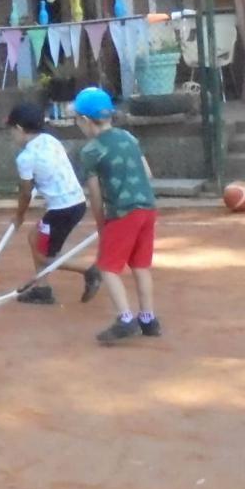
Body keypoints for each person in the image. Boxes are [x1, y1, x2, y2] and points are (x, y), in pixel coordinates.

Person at [72, 87, 162, 345]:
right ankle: (148, 319)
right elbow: (148, 174)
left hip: (122, 212)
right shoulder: (129, 138)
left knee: (108, 268)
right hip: (147, 208)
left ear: (86, 120)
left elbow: (95, 193)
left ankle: (125, 319)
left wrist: (102, 224)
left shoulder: (91, 151)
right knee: (140, 266)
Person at [6, 101, 96, 305]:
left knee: (44, 255)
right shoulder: (50, 140)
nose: (11, 136)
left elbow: (25, 192)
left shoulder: (26, 158)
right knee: (34, 238)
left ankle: (89, 270)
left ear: (19, 129)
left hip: (61, 210)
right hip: (75, 204)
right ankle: (42, 288)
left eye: (12, 130)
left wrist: (19, 215)